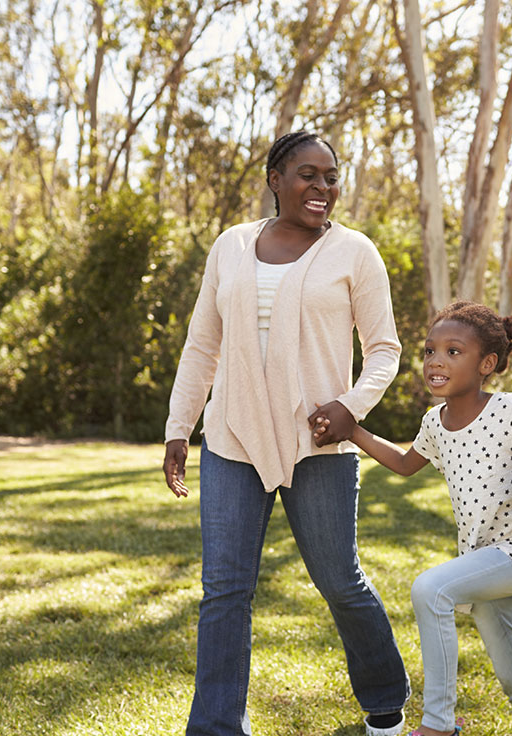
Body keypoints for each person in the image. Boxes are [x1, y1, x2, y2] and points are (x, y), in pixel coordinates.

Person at [162, 130, 410, 736]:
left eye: (331, 176)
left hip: (319, 443)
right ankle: (216, 727)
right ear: (275, 179)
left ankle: (386, 700)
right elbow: (202, 345)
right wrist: (179, 428)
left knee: (339, 580)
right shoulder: (230, 246)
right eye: (307, 174)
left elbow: (384, 351)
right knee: (224, 590)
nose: (322, 187)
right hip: (232, 439)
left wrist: (350, 407)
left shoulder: (356, 253)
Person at [315, 301, 512, 736]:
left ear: (487, 363)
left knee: (431, 589)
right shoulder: (434, 422)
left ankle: (438, 725)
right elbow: (403, 462)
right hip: (480, 558)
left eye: (453, 351)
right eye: (430, 350)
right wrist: (352, 429)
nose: (436, 360)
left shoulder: (509, 409)